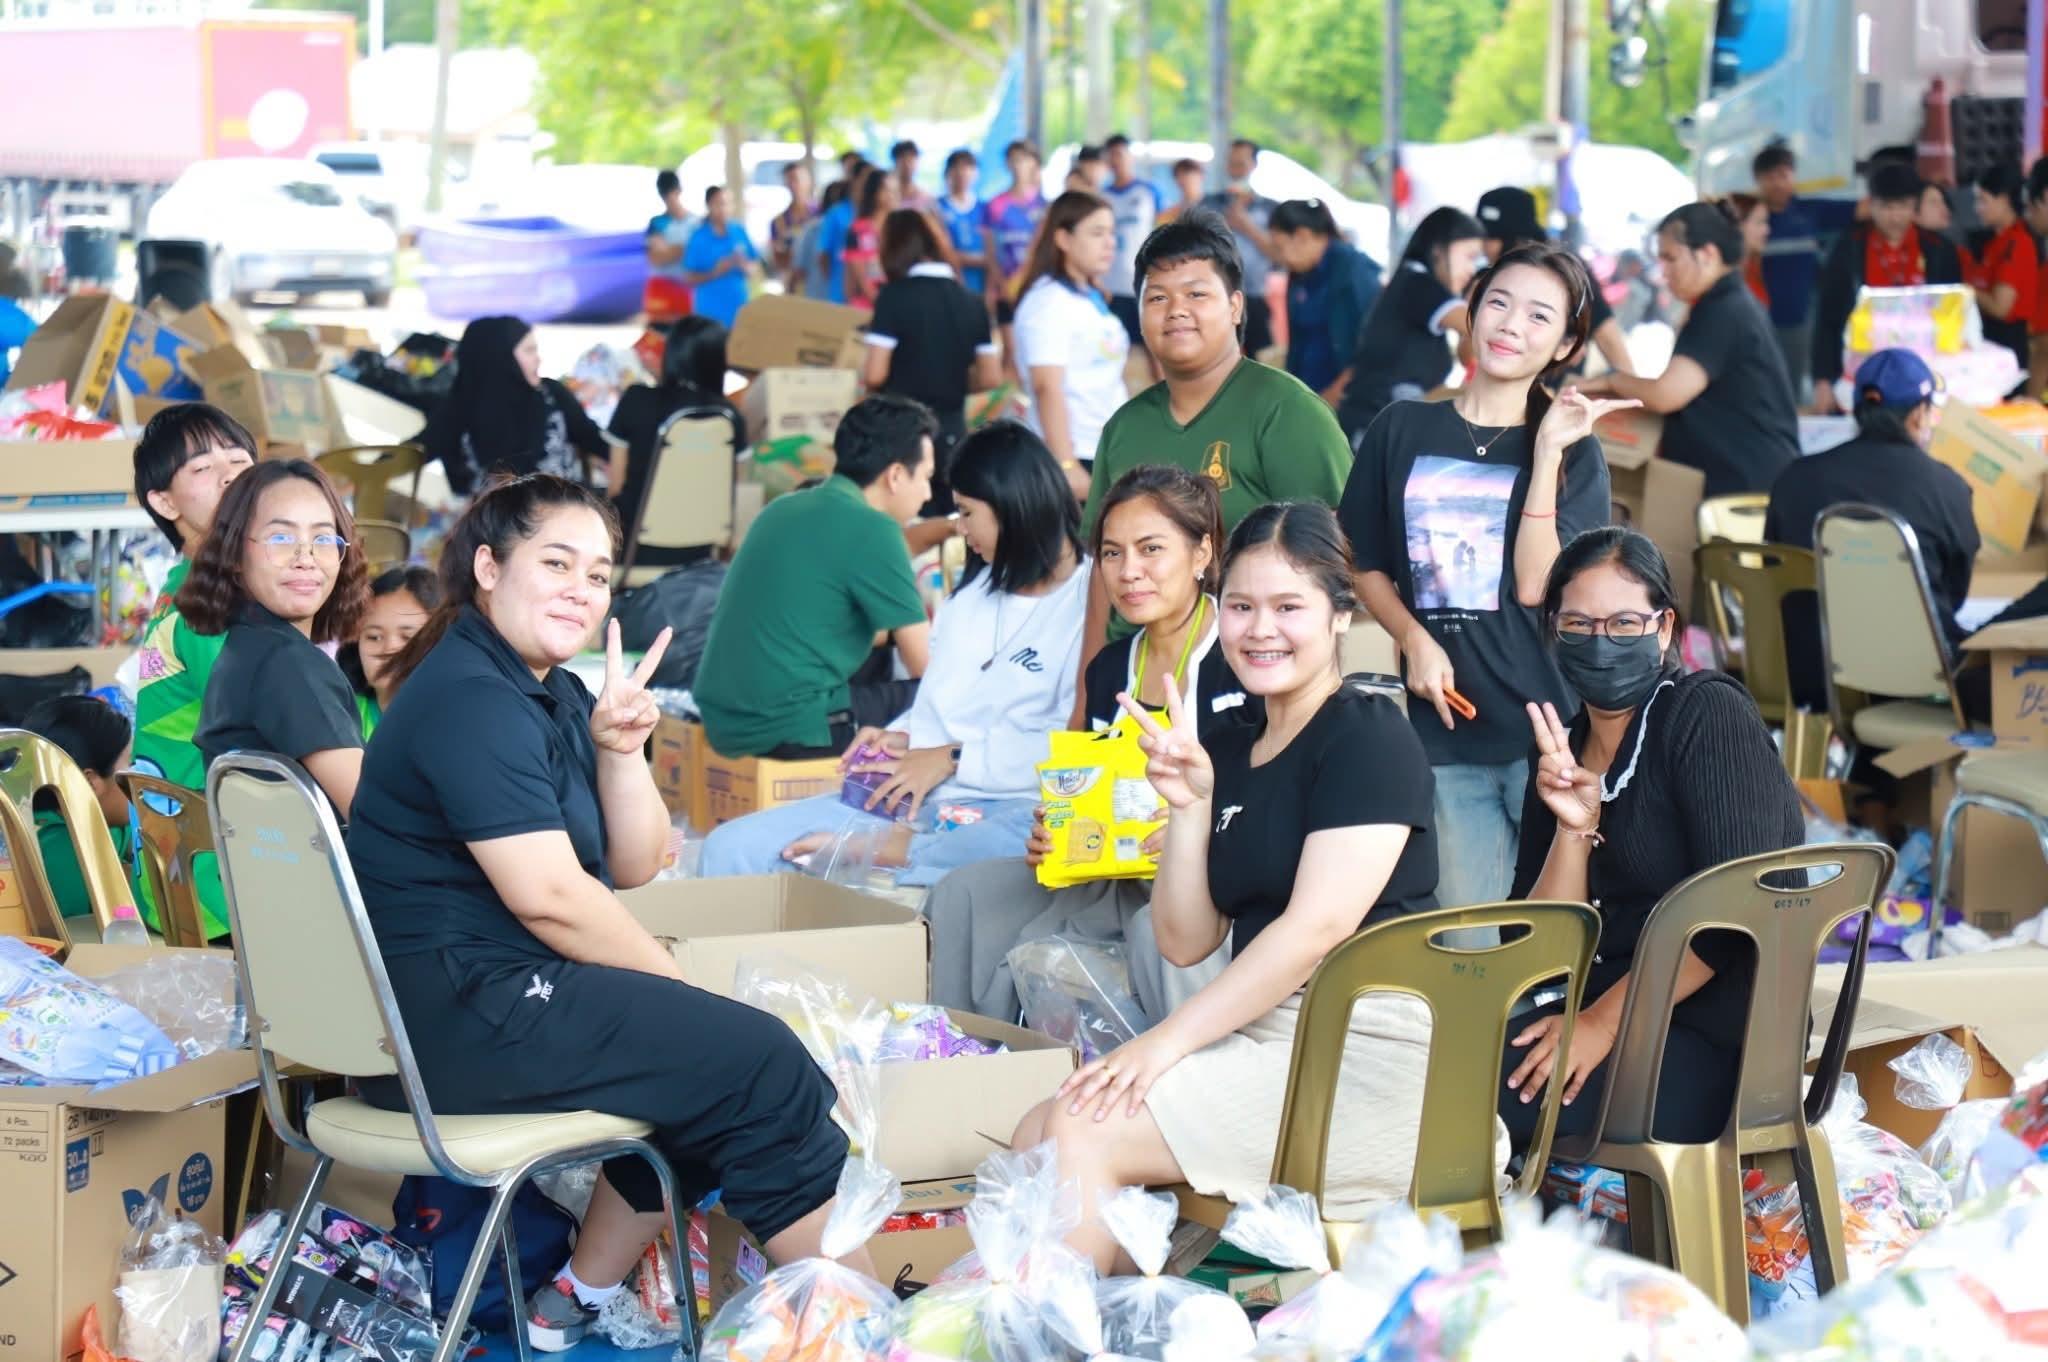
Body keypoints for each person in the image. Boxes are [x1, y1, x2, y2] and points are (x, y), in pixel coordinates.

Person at [346, 475, 867, 1353]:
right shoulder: (470, 697)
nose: (580, 591)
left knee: (716, 1063)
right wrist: (684, 995)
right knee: (757, 1062)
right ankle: (850, 1330)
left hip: (482, 1000)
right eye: (556, 563)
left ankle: (572, 1299)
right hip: (453, 1020)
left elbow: (634, 863)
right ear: (488, 567)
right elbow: (551, 898)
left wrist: (622, 750)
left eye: (596, 575)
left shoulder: (544, 691)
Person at [1012, 502, 1447, 1270]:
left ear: (1340, 616)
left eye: (1288, 608)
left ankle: (1067, 1326)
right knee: (1038, 1128)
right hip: (1267, 1038)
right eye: (1241, 607)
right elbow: (1185, 941)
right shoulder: (1231, 746)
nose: (1259, 630)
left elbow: (1315, 931)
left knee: (1080, 1128)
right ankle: (1104, 1319)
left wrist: (1163, 1044)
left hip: (1368, 1054)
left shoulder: (1369, 734)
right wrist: (1189, 806)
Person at [1342, 242, 1626, 914]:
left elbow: (1539, 586)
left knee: (1553, 938)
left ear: (1565, 345)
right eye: (1499, 302)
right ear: (1472, 311)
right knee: (1467, 941)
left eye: (1538, 316)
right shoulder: (1402, 428)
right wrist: (1413, 638)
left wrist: (1547, 452)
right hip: (1447, 734)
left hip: (1554, 736)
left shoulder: (1574, 451)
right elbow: (1361, 560)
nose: (1510, 325)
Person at [1500, 527, 1798, 1152]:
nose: (1600, 642)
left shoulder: (1704, 714)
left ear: (1663, 629)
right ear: (1554, 631)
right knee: (1427, 1065)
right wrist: (1574, 830)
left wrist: (1602, 1025)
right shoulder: (1561, 750)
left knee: (1467, 1101)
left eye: (1624, 623)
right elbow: (1538, 951)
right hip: (1590, 1017)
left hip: (1717, 1041)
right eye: (1578, 625)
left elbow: (1734, 917)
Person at [925, 464, 1255, 1023]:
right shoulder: (1110, 669)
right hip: (1112, 873)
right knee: (963, 893)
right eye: (1111, 554)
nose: (1129, 572)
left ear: (1202, 553)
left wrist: (1197, 831)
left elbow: (1274, 796)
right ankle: (962, 1051)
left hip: (1211, 879)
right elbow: (1087, 788)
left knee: (1153, 928)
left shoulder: (1243, 660)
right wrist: (1055, 829)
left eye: (1151, 549)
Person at [699, 421, 1090, 886]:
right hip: (915, 795)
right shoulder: (976, 591)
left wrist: (952, 757)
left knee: (1016, 843)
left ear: (1013, 506)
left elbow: (1073, 748)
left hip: (1002, 806)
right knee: (730, 848)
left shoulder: (1090, 603)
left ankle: (898, 851)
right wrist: (901, 735)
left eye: (967, 513)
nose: (960, 529)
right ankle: (895, 849)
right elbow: (941, 700)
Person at [1080, 212, 1354, 683]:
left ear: (1235, 306)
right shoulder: (1124, 427)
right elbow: (1100, 577)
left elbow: (1337, 556)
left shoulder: (1288, 411)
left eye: (1196, 294)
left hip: (1251, 671)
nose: (1176, 310)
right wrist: (1086, 694)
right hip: (1135, 672)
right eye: (1157, 297)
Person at [693, 396, 935, 759]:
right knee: (940, 701)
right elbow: (928, 667)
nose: (929, 493)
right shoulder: (875, 530)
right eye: (927, 478)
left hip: (724, 722)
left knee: (878, 661)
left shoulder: (782, 508)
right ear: (896, 475)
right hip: (788, 728)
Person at [1765, 348, 1977, 712]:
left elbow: (1774, 573)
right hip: (1915, 683)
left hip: (1806, 676)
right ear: (1918, 415)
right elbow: (1954, 592)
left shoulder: (1794, 478)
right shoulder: (1947, 488)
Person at [179, 460, 369, 818]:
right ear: (235, 553)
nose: (306, 559)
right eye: (281, 538)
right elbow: (374, 814)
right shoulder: (288, 664)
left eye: (323, 539)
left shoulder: (246, 648)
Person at [131, 403, 256, 938]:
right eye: (203, 468)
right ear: (164, 501)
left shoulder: (187, 586)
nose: (230, 475)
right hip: (217, 887)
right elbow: (265, 726)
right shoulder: (208, 603)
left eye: (239, 459)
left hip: (182, 873)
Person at [1580, 203, 1801, 497]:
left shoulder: (1724, 309)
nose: (1664, 272)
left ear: (1707, 254)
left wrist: (1612, 380)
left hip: (1746, 485)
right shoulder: (1726, 302)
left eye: (1671, 259)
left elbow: (1665, 394)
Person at [865, 210, 1002, 509]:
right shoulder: (972, 302)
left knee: (907, 521)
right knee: (948, 519)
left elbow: (875, 374)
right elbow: (991, 377)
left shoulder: (893, 297)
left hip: (901, 432)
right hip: (952, 431)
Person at [1810, 163, 1965, 414]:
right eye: (1886, 207)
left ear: (1914, 206)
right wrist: (1823, 380)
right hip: (1862, 372)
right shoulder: (1849, 248)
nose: (1894, 217)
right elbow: (1828, 317)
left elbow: (1953, 318)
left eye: (1902, 206)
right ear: (1871, 205)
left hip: (1924, 372)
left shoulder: (1939, 250)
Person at [1014, 191, 1130, 500]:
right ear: (1063, 239)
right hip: (1074, 454)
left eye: (1112, 233)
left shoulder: (1089, 295)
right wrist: (1066, 465)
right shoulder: (1047, 301)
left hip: (1105, 448)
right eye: (1097, 233)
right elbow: (1046, 386)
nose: (1110, 243)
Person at [1335, 206, 1486, 443]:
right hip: (1373, 427)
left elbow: (1469, 349)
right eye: (1469, 257)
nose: (1471, 270)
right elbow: (1479, 327)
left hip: (1384, 424)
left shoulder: (1414, 282)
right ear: (1439, 249)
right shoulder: (1418, 284)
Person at [605, 314, 746, 569]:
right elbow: (737, 490)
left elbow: (615, 486)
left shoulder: (636, 400)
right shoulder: (729, 416)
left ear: (670, 353)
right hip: (703, 557)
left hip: (634, 553)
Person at [420, 317, 615, 496]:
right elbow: (416, 452)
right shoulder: (459, 409)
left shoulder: (550, 395)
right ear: (500, 358)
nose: (538, 359)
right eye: (529, 351)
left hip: (568, 510)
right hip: (497, 520)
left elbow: (593, 439)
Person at [1476, 186, 1634, 376]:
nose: (1481, 246)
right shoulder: (1485, 276)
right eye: (1499, 303)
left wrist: (1627, 383)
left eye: (1539, 316)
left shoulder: (1565, 272)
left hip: (1552, 389)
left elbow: (1606, 335)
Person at [23, 695, 141, 924]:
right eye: (132, 764)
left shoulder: (106, 821)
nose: (142, 777)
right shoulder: (61, 851)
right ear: (89, 783)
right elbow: (72, 934)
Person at [1268, 197, 1383, 403]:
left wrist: (1332, 396)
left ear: (1302, 236)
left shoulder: (1354, 269)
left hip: (1347, 400)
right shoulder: (1299, 274)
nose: (1279, 257)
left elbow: (1373, 345)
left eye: (1280, 247)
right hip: (1307, 397)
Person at [338, 566, 443, 737]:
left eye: (407, 637)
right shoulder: (341, 715)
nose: (390, 647)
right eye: (374, 637)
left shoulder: (461, 717)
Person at [1200, 140, 1280, 356]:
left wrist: (1246, 225)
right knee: (1215, 360)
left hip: (1254, 295)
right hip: (1216, 296)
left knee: (1262, 361)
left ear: (1253, 165)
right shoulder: (1210, 204)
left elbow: (1278, 255)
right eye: (1231, 163)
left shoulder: (1269, 208)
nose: (1235, 170)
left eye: (1241, 164)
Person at [1753, 139, 1820, 398]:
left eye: (1783, 175)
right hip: (1757, 324)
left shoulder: (1810, 212)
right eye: (1770, 177)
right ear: (1758, 181)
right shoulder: (1748, 220)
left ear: (1793, 176)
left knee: (1791, 389)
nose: (1778, 183)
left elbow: (1863, 210)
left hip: (1798, 323)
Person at [1970, 163, 2038, 381]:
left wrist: (1965, 290)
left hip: (2009, 341)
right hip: (1992, 336)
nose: (1978, 208)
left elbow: (2001, 307)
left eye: (1983, 201)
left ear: (2004, 200)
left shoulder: (2017, 243)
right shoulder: (1994, 243)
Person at [987, 141, 1050, 369]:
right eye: (1013, 159)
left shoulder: (1046, 206)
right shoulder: (996, 205)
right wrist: (1000, 285)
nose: (1017, 165)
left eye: (1023, 159)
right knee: (1010, 350)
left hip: (1037, 288)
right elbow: (991, 252)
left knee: (1037, 350)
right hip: (1006, 288)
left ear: (1034, 163)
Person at [1101, 134, 1161, 358]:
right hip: (1109, 286)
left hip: (1141, 283)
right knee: (1111, 349)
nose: (1116, 160)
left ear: (1130, 157)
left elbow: (1163, 228)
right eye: (1111, 155)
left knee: (1152, 348)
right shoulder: (1101, 196)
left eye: (1120, 154)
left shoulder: (1149, 192)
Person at [681, 186, 760, 328]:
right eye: (719, 203)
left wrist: (745, 266)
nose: (724, 208)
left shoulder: (739, 231)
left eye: (727, 203)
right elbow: (688, 277)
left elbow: (755, 267)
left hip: (739, 311)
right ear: (709, 205)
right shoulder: (698, 237)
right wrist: (715, 272)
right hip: (709, 315)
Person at [843, 168, 899, 311]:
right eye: (886, 189)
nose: (892, 195)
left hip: (897, 302)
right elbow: (862, 279)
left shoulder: (901, 228)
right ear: (874, 192)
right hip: (866, 307)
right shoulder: (858, 230)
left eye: (895, 190)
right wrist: (885, 307)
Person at [643, 168, 693, 328]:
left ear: (679, 191)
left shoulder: (695, 222)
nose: (670, 199)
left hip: (688, 288)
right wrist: (685, 249)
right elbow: (656, 258)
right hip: (663, 288)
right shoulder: (657, 223)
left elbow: (700, 256)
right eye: (665, 195)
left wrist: (672, 250)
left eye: (672, 193)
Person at [937, 149, 990, 297]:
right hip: (949, 288)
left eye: (968, 167)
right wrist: (982, 259)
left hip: (981, 288)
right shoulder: (937, 208)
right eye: (957, 167)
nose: (962, 173)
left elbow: (995, 255)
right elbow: (943, 252)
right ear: (948, 173)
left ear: (976, 173)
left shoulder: (985, 208)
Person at [816, 164, 868, 304]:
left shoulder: (874, 215)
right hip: (840, 295)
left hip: (869, 296)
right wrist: (835, 282)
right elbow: (823, 255)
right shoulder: (836, 213)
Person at [769, 160, 816, 290]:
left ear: (808, 181)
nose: (794, 185)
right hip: (793, 287)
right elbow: (777, 261)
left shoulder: (821, 215)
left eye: (797, 179)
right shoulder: (778, 222)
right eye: (789, 180)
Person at [801, 180, 851, 301]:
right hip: (831, 295)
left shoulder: (811, 228)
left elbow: (801, 268)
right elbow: (822, 256)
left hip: (821, 295)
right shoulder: (814, 228)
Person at [1725, 191, 1771, 306]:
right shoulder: (1720, 279)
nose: (1767, 230)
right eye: (1759, 222)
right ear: (1738, 226)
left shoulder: (1752, 268)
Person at [890, 139, 934, 213]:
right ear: (895, 162)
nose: (907, 165)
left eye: (911, 160)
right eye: (903, 159)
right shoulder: (887, 194)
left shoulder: (924, 196)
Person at [1158, 158, 1204, 226]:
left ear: (1201, 176)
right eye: (1179, 176)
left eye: (1188, 173)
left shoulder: (1215, 206)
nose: (1184, 179)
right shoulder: (1170, 214)